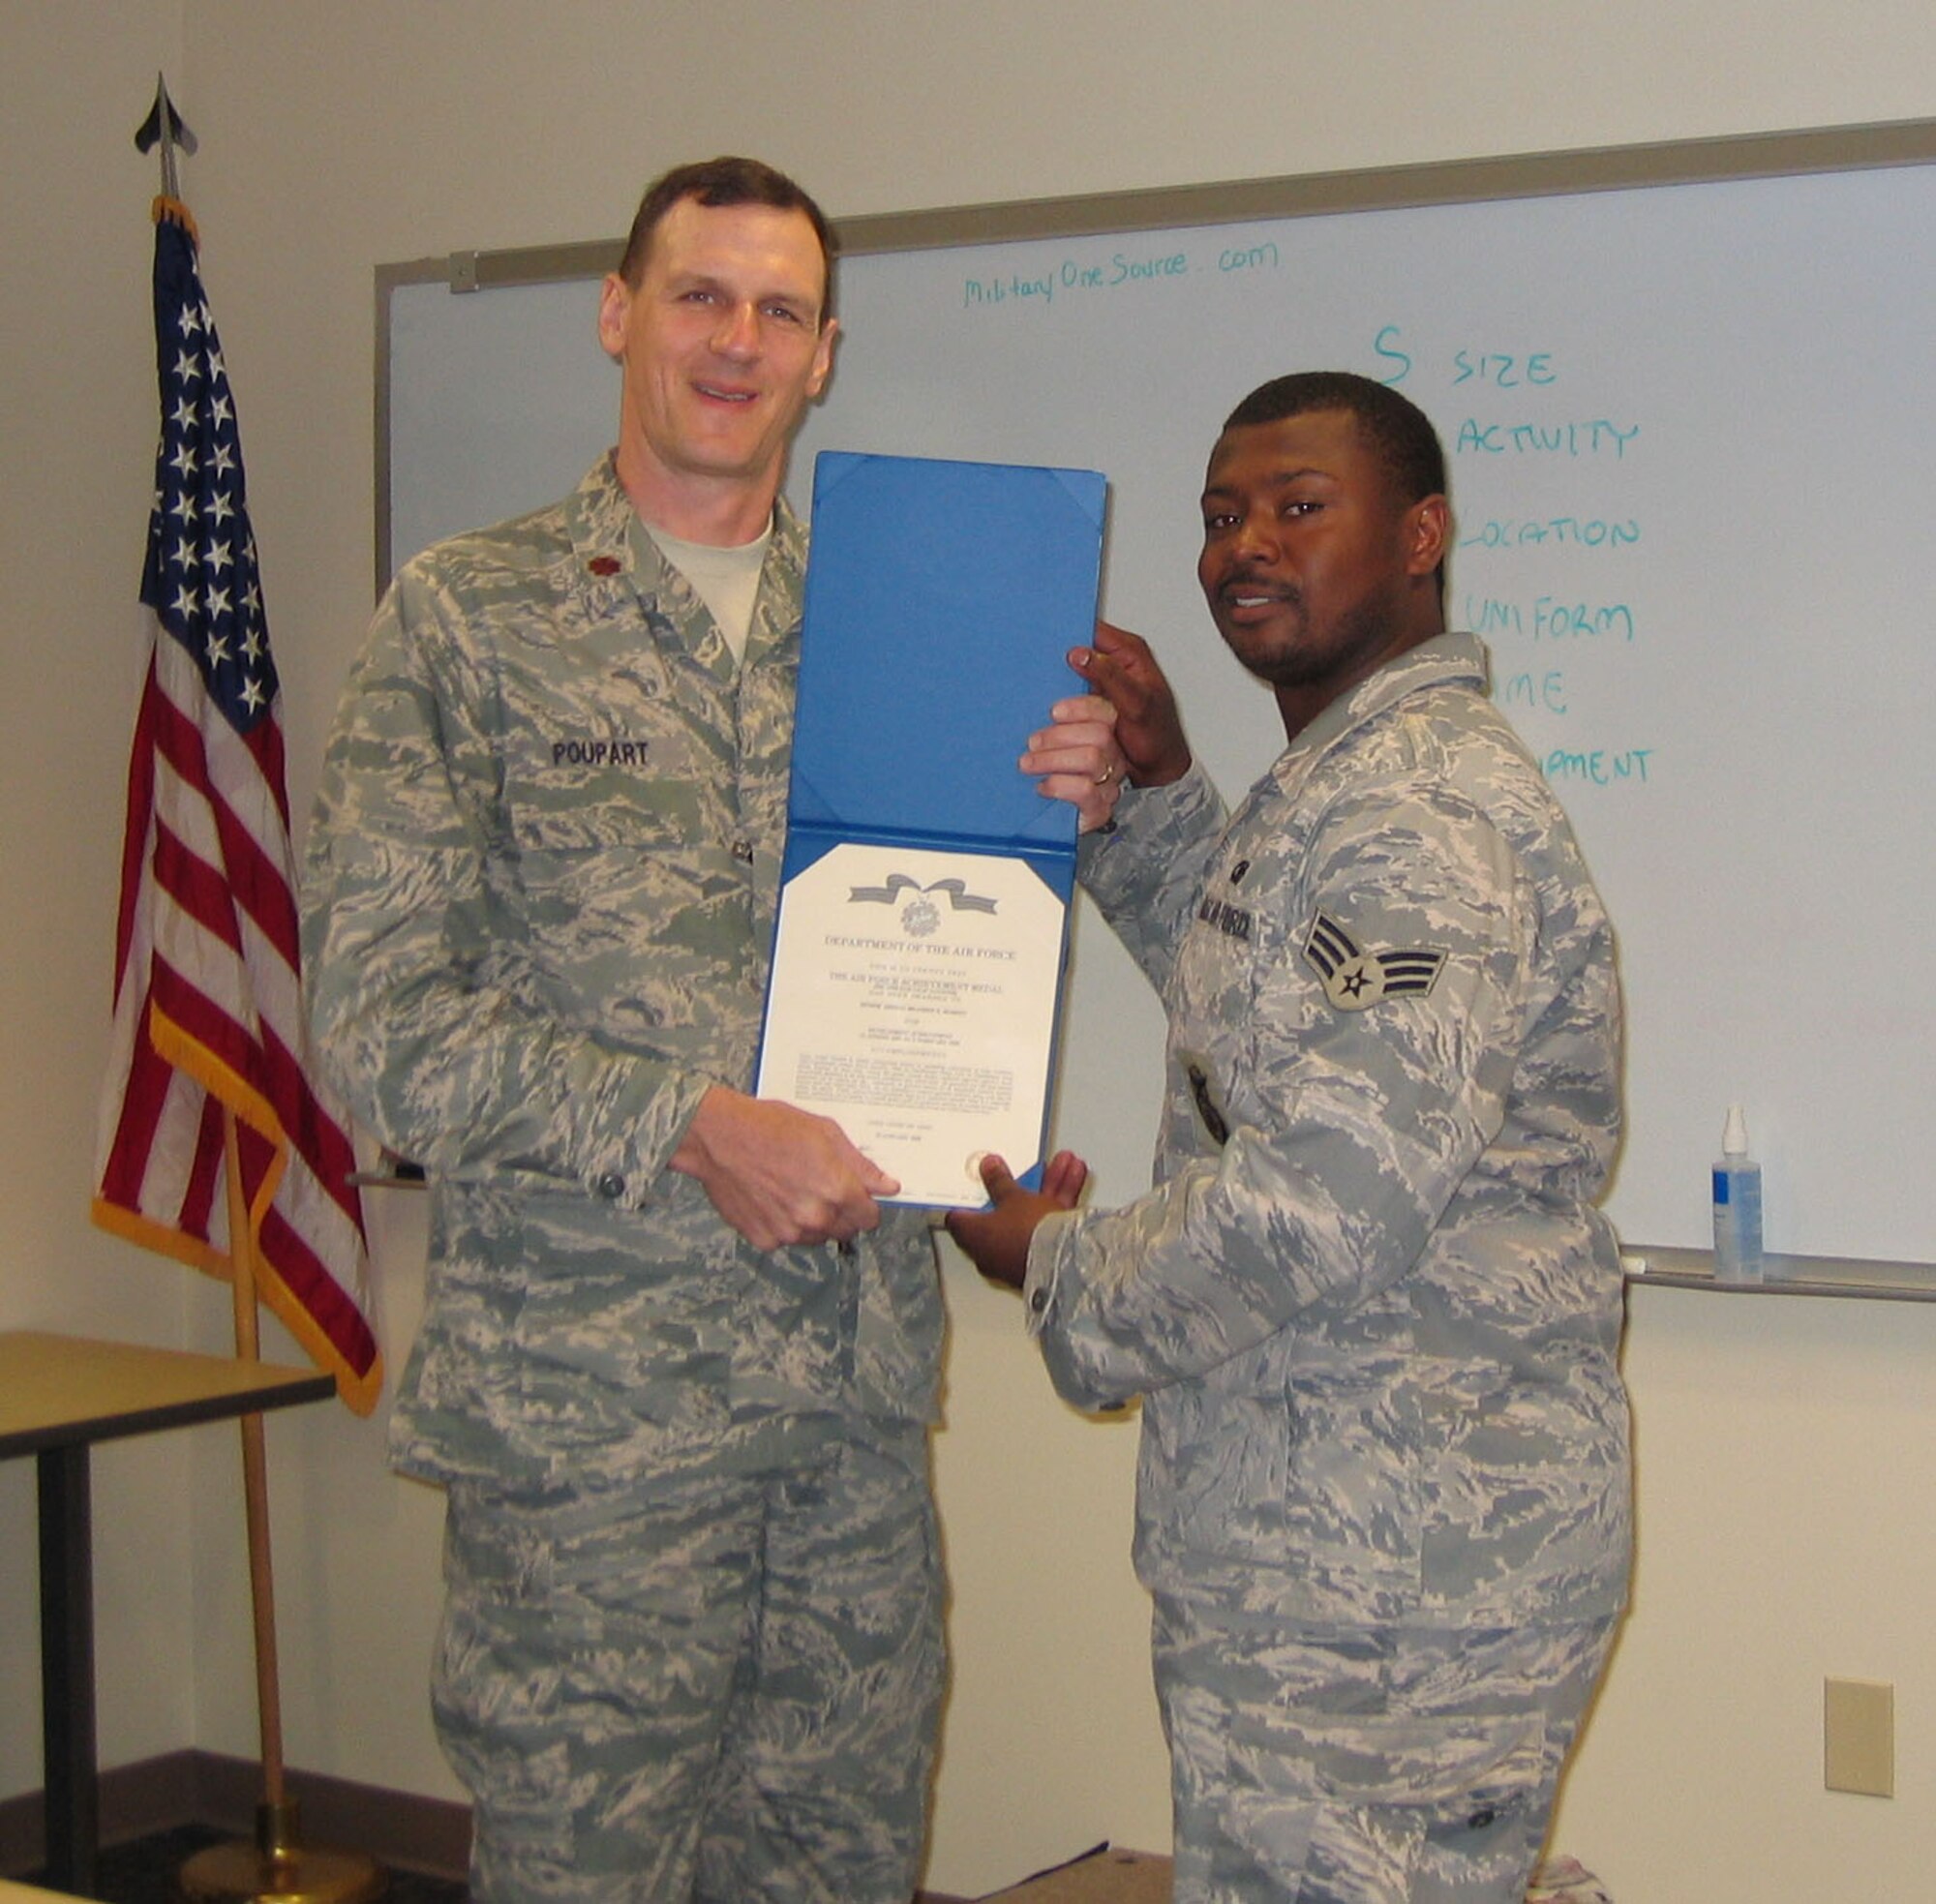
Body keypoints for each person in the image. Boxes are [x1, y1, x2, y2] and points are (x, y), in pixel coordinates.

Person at [301, 156, 1123, 1903]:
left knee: (837, 1874)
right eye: (699, 296)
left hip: (847, 1429)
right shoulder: (471, 619)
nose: (736, 343)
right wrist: (689, 1121)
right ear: (619, 316)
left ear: (828, 355)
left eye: (780, 311)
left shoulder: (906, 628)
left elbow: (950, 946)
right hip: (595, 1447)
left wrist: (1071, 830)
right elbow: (379, 1029)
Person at [950, 372, 1633, 1902]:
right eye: (1219, 515)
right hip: (1333, 1540)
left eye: (1299, 507)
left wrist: (1058, 1264)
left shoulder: (1416, 813)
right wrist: (1160, 794)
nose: (1245, 544)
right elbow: (1264, 992)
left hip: (1392, 1577)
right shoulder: (1345, 776)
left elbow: (1325, 1200)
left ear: (1421, 537)